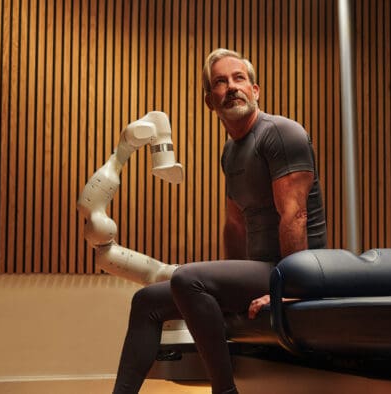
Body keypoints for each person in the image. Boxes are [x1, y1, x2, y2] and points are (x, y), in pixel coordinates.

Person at [112, 48, 327, 394]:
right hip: (263, 269)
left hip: (299, 270)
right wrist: (225, 289)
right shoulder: (231, 151)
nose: (231, 87)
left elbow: (295, 214)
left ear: (255, 90)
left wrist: (289, 291)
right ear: (210, 101)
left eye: (239, 78)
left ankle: (224, 391)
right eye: (220, 82)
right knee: (147, 302)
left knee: (187, 278)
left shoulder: (281, 134)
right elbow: (235, 225)